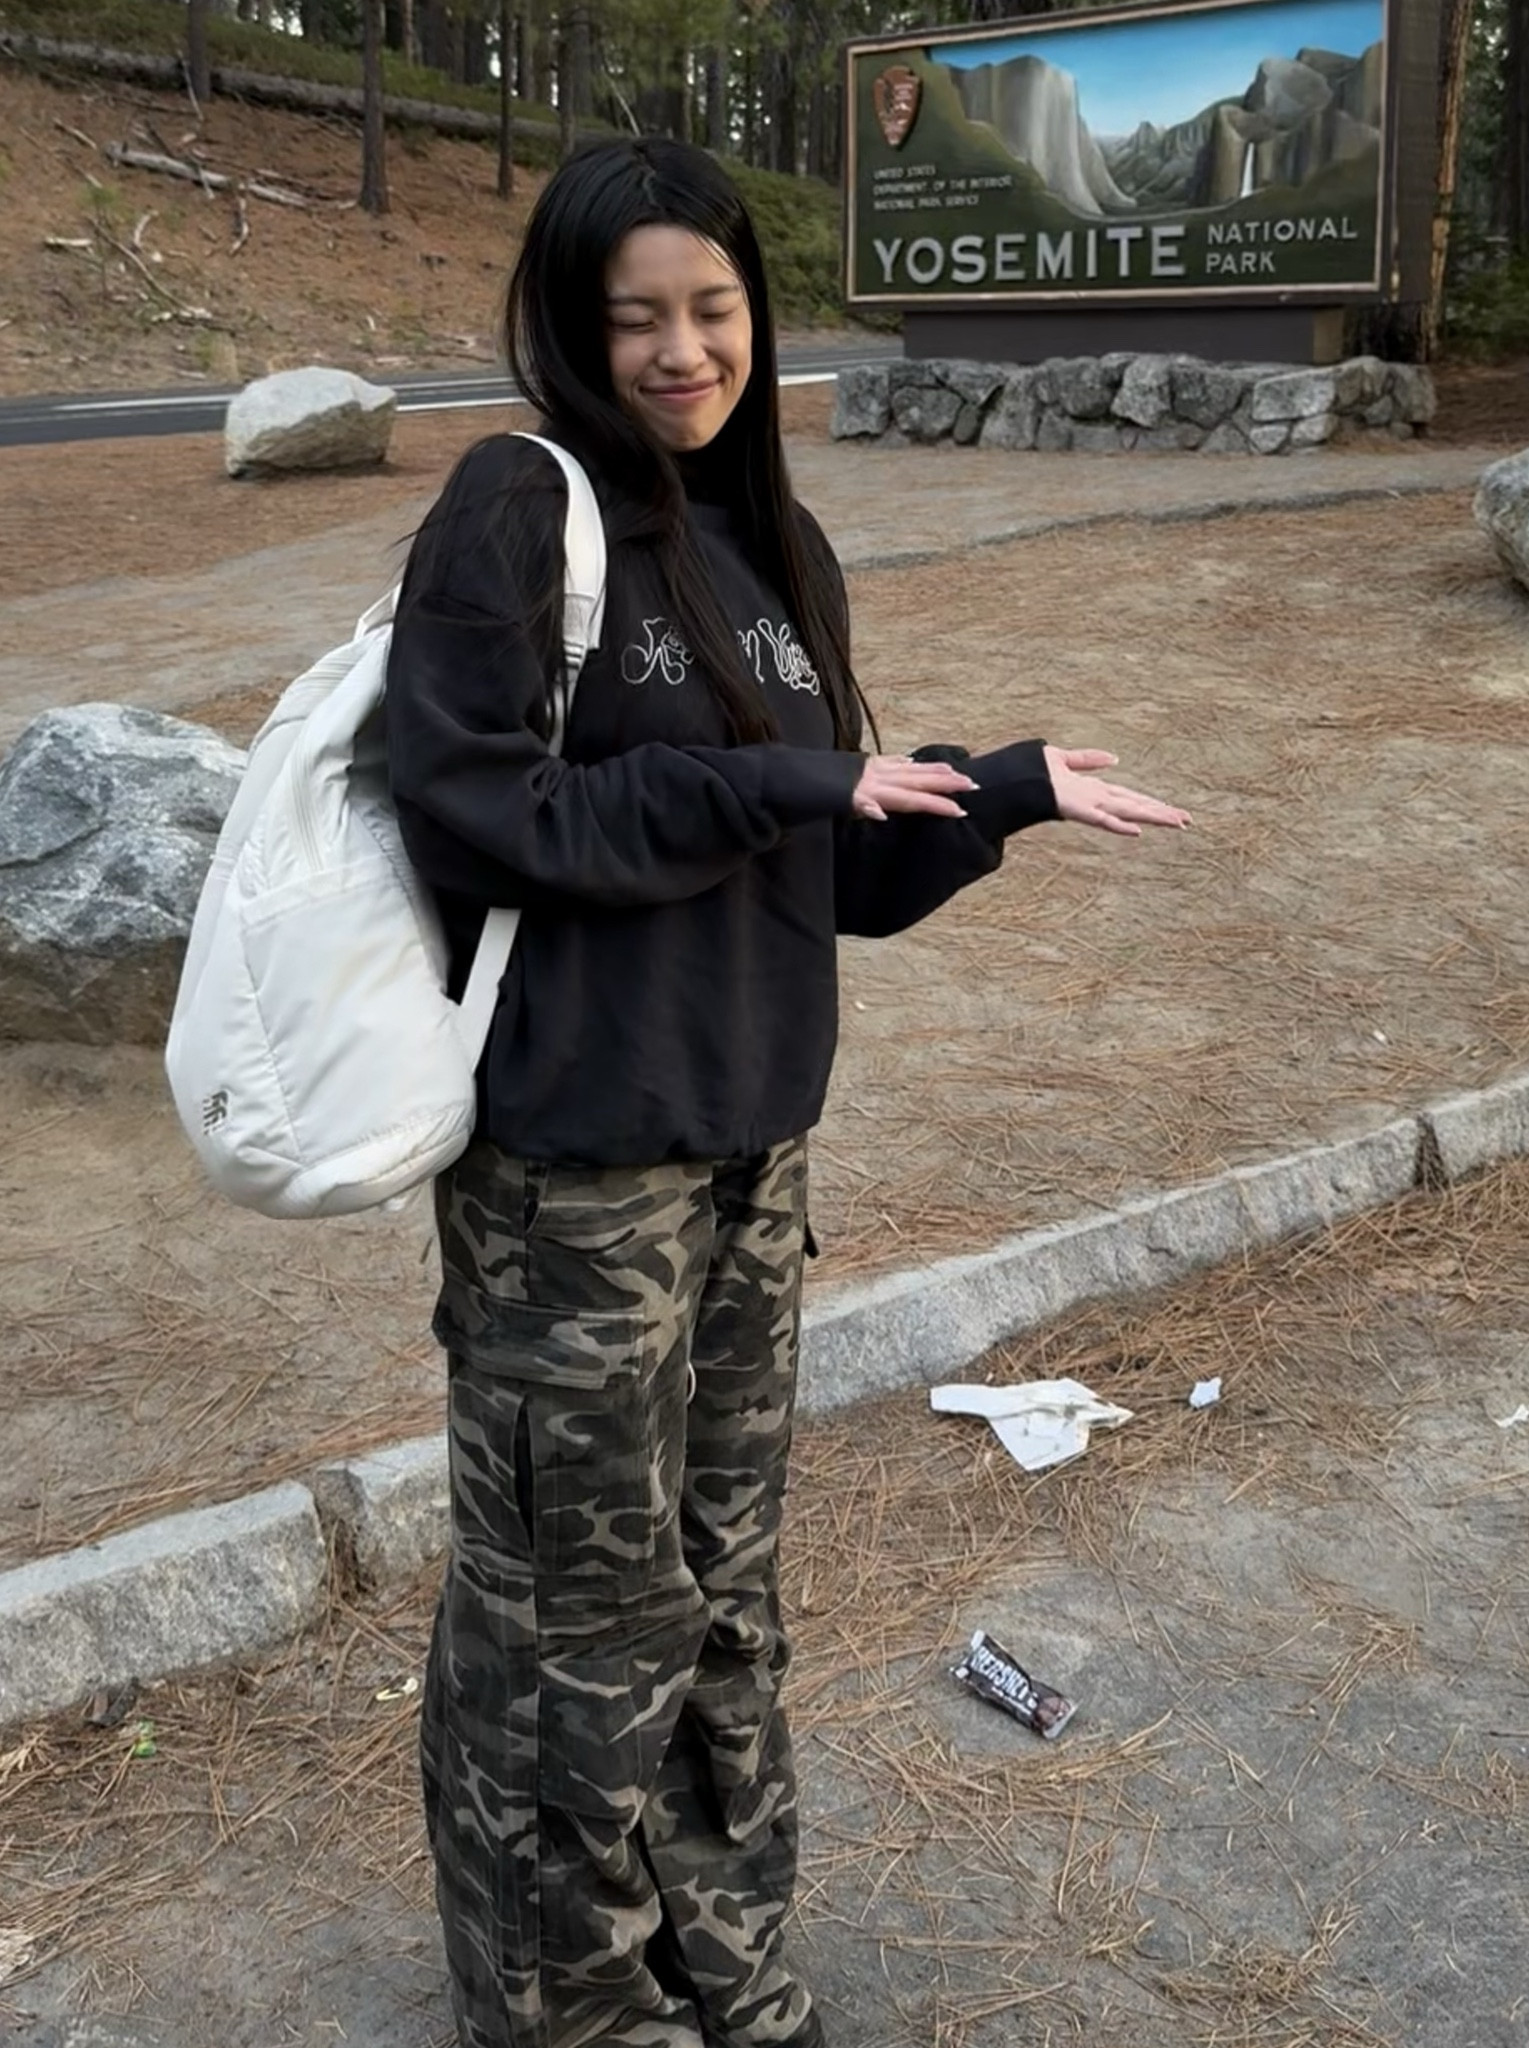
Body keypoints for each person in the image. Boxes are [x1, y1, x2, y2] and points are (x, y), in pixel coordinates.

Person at [384, 136, 1190, 2048]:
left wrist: (986, 793)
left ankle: (726, 1970)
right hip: (574, 1182)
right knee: (576, 1631)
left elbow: (829, 874)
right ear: (574, 331)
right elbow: (481, 815)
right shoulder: (521, 507)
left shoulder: (781, 551)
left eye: (716, 309)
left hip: (754, 1161)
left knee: (725, 1596)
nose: (681, 350)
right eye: (635, 316)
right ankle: (568, 2009)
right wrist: (775, 785)